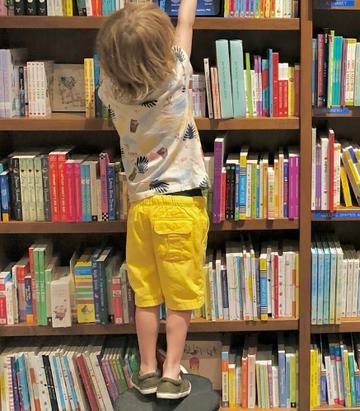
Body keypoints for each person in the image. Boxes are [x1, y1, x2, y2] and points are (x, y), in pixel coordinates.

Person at [96, 0, 209, 400]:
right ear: (163, 50)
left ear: (108, 60)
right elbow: (186, 24)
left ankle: (146, 369)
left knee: (146, 294)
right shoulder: (176, 73)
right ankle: (172, 372)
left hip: (141, 207)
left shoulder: (110, 92)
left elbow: (128, 49)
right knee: (180, 298)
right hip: (181, 204)